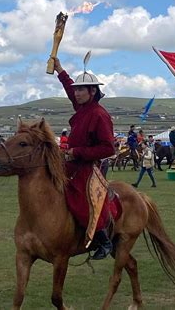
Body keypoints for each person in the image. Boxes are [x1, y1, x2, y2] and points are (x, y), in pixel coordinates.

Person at [55, 58, 116, 260]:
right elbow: (68, 89)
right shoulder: (82, 109)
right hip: (71, 164)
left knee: (80, 201)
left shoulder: (100, 115)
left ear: (93, 92)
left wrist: (77, 152)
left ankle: (103, 240)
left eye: (82, 90)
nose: (77, 93)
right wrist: (60, 71)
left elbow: (108, 148)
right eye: (76, 90)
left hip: (88, 167)